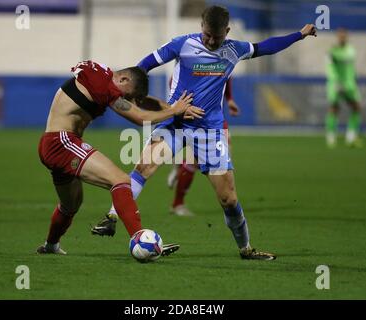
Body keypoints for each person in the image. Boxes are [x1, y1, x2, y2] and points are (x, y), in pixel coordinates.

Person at [92, 5, 317, 260]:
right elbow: (145, 64)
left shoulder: (235, 50)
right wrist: (131, 92)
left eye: (216, 37)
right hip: (175, 122)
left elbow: (266, 46)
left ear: (227, 31)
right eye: (207, 34)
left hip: (209, 130)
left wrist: (299, 34)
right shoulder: (182, 44)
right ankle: (111, 217)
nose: (210, 41)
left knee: (228, 199)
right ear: (201, 27)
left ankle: (246, 249)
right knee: (145, 167)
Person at [36, 60, 203, 254]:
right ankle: (140, 238)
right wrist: (174, 110)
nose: (127, 101)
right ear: (123, 79)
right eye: (128, 96)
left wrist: (176, 108)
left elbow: (144, 102)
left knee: (70, 205)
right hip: (62, 142)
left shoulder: (104, 78)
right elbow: (141, 118)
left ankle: (50, 246)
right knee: (121, 180)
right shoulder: (104, 85)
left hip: (53, 143)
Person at [166, 77, 240, 217]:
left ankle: (180, 168)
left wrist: (229, 99)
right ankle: (177, 204)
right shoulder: (190, 64)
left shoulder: (221, 59)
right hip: (195, 120)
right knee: (200, 162)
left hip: (215, 119)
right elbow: (175, 84)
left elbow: (226, 77)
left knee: (221, 160)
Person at [325, 28, 362, 148]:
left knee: (356, 107)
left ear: (346, 37)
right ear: (337, 37)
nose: (342, 38)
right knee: (334, 108)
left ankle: (350, 136)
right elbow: (330, 67)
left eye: (343, 36)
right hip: (335, 83)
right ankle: (331, 137)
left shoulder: (350, 50)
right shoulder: (332, 51)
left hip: (349, 84)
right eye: (340, 36)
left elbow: (350, 68)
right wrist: (336, 82)